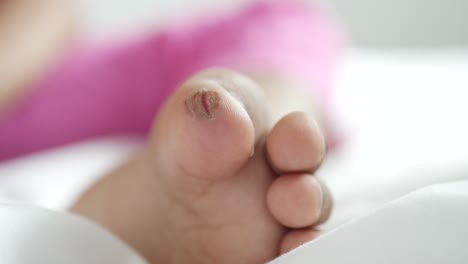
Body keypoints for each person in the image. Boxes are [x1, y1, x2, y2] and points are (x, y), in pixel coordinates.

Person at [0, 0, 343, 263]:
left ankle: (260, 136)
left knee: (275, 22)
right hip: (29, 112)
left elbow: (47, 12)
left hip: (30, 79)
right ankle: (133, 215)